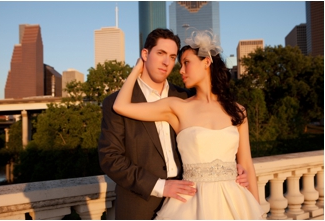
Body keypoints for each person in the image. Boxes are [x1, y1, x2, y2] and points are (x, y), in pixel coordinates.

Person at [98, 29, 249, 220]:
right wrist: (160, 186)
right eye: (160, 53)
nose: (167, 62)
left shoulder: (186, 98)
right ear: (145, 54)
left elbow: (210, 140)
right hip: (140, 206)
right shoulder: (117, 102)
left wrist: (232, 168)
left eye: (172, 56)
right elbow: (110, 159)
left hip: (192, 202)